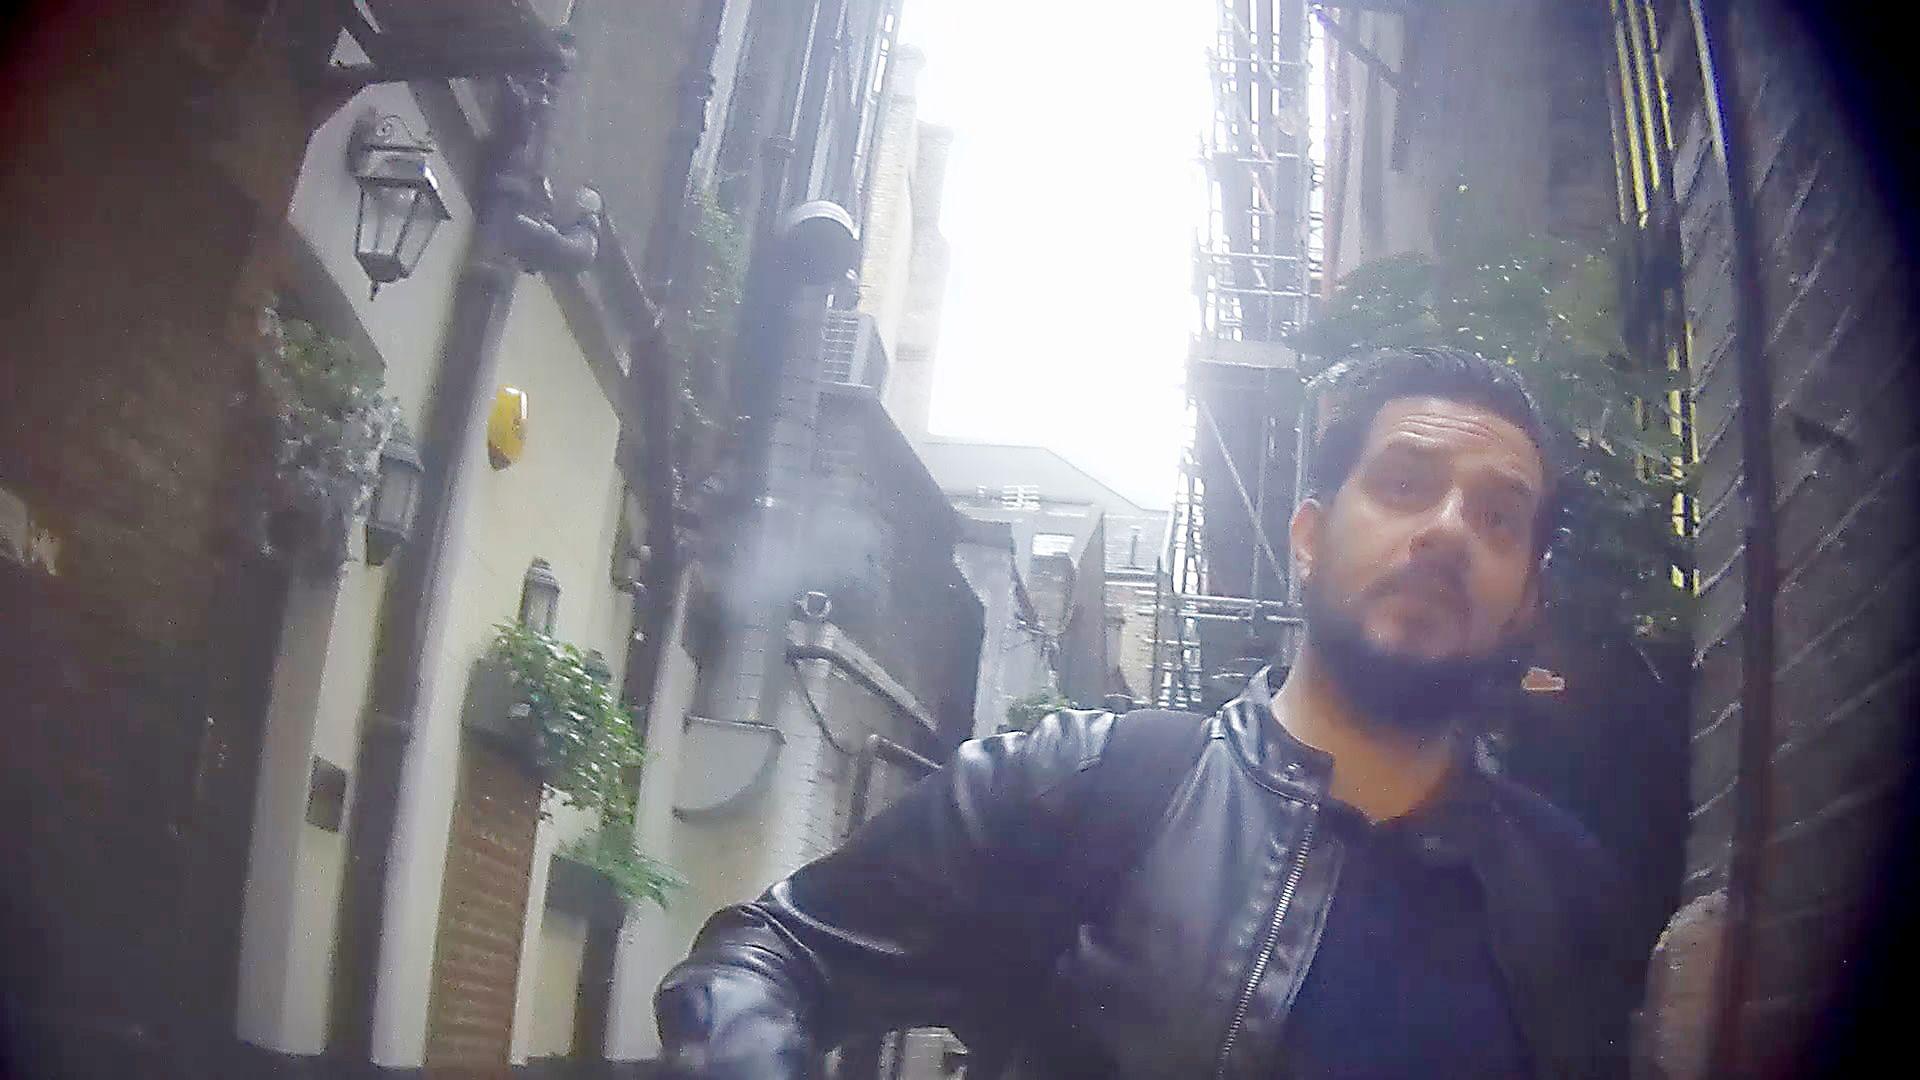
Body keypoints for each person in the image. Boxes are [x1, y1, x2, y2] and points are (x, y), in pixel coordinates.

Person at [655, 346, 1641, 1078]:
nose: (1449, 530)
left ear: (1527, 597)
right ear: (1307, 537)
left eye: (1499, 517)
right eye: (1404, 485)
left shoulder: (1566, 894)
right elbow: (765, 956)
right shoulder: (1084, 787)